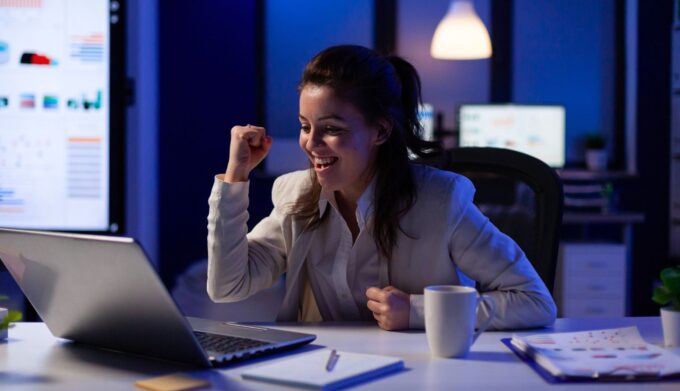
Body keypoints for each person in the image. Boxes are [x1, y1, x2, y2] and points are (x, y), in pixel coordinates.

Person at [207, 45, 556, 331]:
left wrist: (418, 312)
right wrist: (235, 177)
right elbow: (227, 287)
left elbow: (535, 302)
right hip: (321, 375)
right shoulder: (296, 195)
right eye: (304, 126)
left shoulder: (442, 201)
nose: (311, 143)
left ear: (380, 131)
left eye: (332, 128)